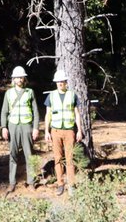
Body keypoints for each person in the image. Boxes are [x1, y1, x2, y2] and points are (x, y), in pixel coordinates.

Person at [0, 64, 40, 193]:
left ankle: (31, 182)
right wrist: (4, 127)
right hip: (13, 126)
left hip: (27, 125)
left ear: (24, 79)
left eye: (21, 77)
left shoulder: (30, 92)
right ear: (13, 79)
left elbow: (36, 111)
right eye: (16, 77)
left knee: (29, 154)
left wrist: (35, 128)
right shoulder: (8, 93)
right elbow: (4, 112)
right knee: (13, 155)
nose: (19, 80)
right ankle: (12, 182)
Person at [44, 67, 83, 196]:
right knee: (58, 158)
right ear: (56, 83)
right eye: (58, 81)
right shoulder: (51, 96)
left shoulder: (72, 95)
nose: (60, 83)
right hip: (55, 131)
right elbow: (48, 115)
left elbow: (77, 114)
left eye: (62, 81)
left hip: (69, 131)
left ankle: (72, 185)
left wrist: (79, 130)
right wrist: (46, 131)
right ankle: (60, 184)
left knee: (70, 158)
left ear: (66, 82)